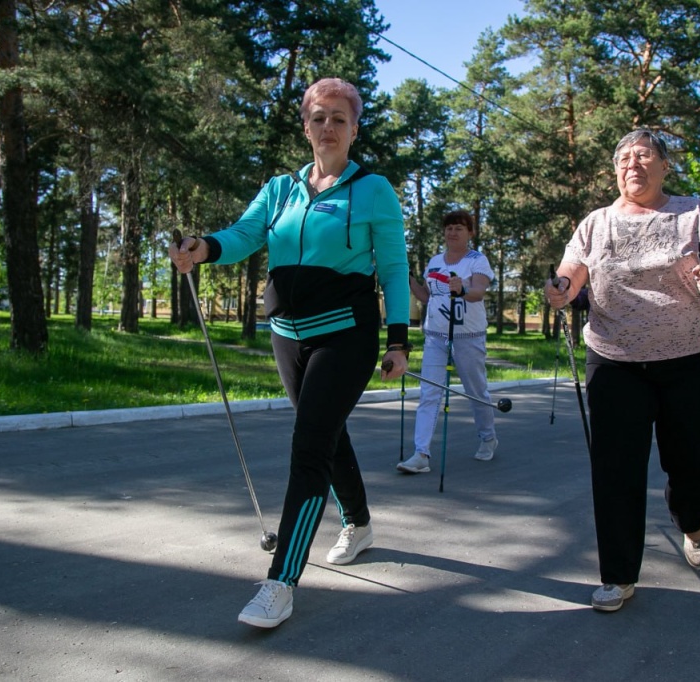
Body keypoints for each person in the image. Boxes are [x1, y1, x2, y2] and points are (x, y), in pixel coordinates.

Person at [169, 78, 410, 629]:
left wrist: (398, 341)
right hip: (288, 334)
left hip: (346, 333)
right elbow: (246, 233)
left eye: (339, 119)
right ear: (306, 126)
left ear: (354, 128)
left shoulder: (374, 190)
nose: (328, 127)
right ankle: (360, 521)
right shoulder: (280, 188)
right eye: (319, 117)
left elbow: (394, 269)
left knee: (309, 445)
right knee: (326, 433)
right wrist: (202, 248)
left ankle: (280, 581)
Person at [544, 129, 700, 613]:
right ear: (615, 170)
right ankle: (618, 575)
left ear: (663, 165)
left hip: (690, 358)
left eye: (644, 155)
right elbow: (571, 271)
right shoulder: (596, 223)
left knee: (693, 464)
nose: (633, 164)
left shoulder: (695, 213)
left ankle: (693, 523)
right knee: (615, 471)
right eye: (624, 158)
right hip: (615, 360)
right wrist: (561, 288)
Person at [397, 210, 498, 473]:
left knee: (476, 392)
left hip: (468, 337)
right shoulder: (434, 262)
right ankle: (421, 454)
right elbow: (426, 296)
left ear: (470, 233)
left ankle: (488, 437)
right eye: (449, 228)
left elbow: (478, 292)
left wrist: (462, 289)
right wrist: (407, 277)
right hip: (436, 336)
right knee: (429, 394)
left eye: (459, 228)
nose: (452, 232)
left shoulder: (477, 260)